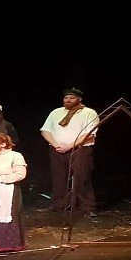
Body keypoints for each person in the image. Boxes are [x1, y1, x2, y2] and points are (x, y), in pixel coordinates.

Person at [40, 87, 99, 217]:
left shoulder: (89, 113)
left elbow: (89, 134)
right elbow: (45, 130)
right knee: (58, 178)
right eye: (66, 97)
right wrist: (56, 144)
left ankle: (88, 207)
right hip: (57, 149)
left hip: (80, 149)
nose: (68, 100)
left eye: (72, 98)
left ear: (79, 99)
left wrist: (69, 146)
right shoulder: (56, 112)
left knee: (82, 178)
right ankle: (59, 204)